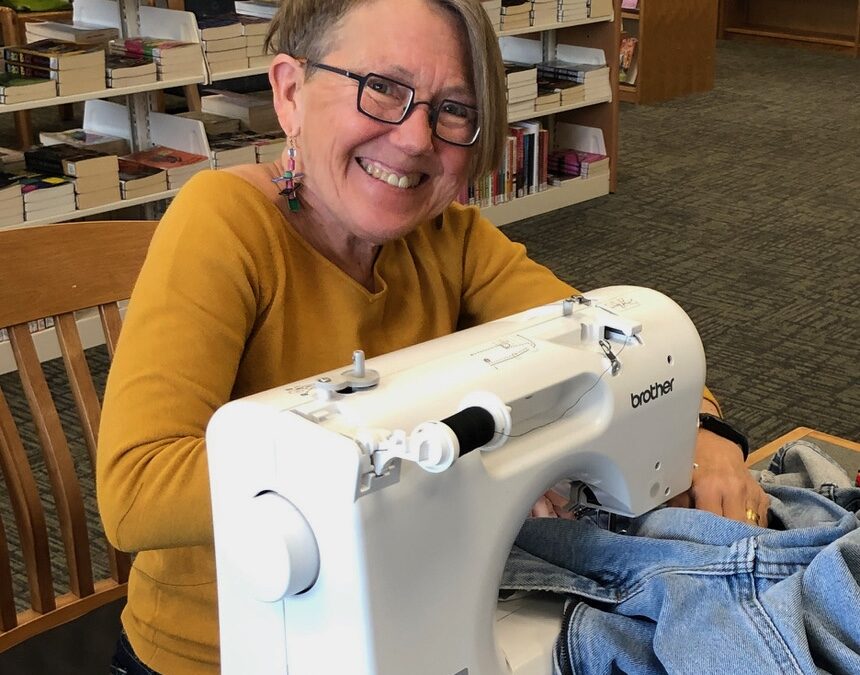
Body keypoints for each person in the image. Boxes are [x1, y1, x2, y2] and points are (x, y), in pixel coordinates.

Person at [97, 0, 769, 672]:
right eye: (382, 88)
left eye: (453, 110)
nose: (417, 138)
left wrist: (706, 432)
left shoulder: (450, 238)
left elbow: (616, 342)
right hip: (220, 652)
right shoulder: (222, 225)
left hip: (404, 620)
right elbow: (136, 490)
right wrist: (464, 457)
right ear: (291, 92)